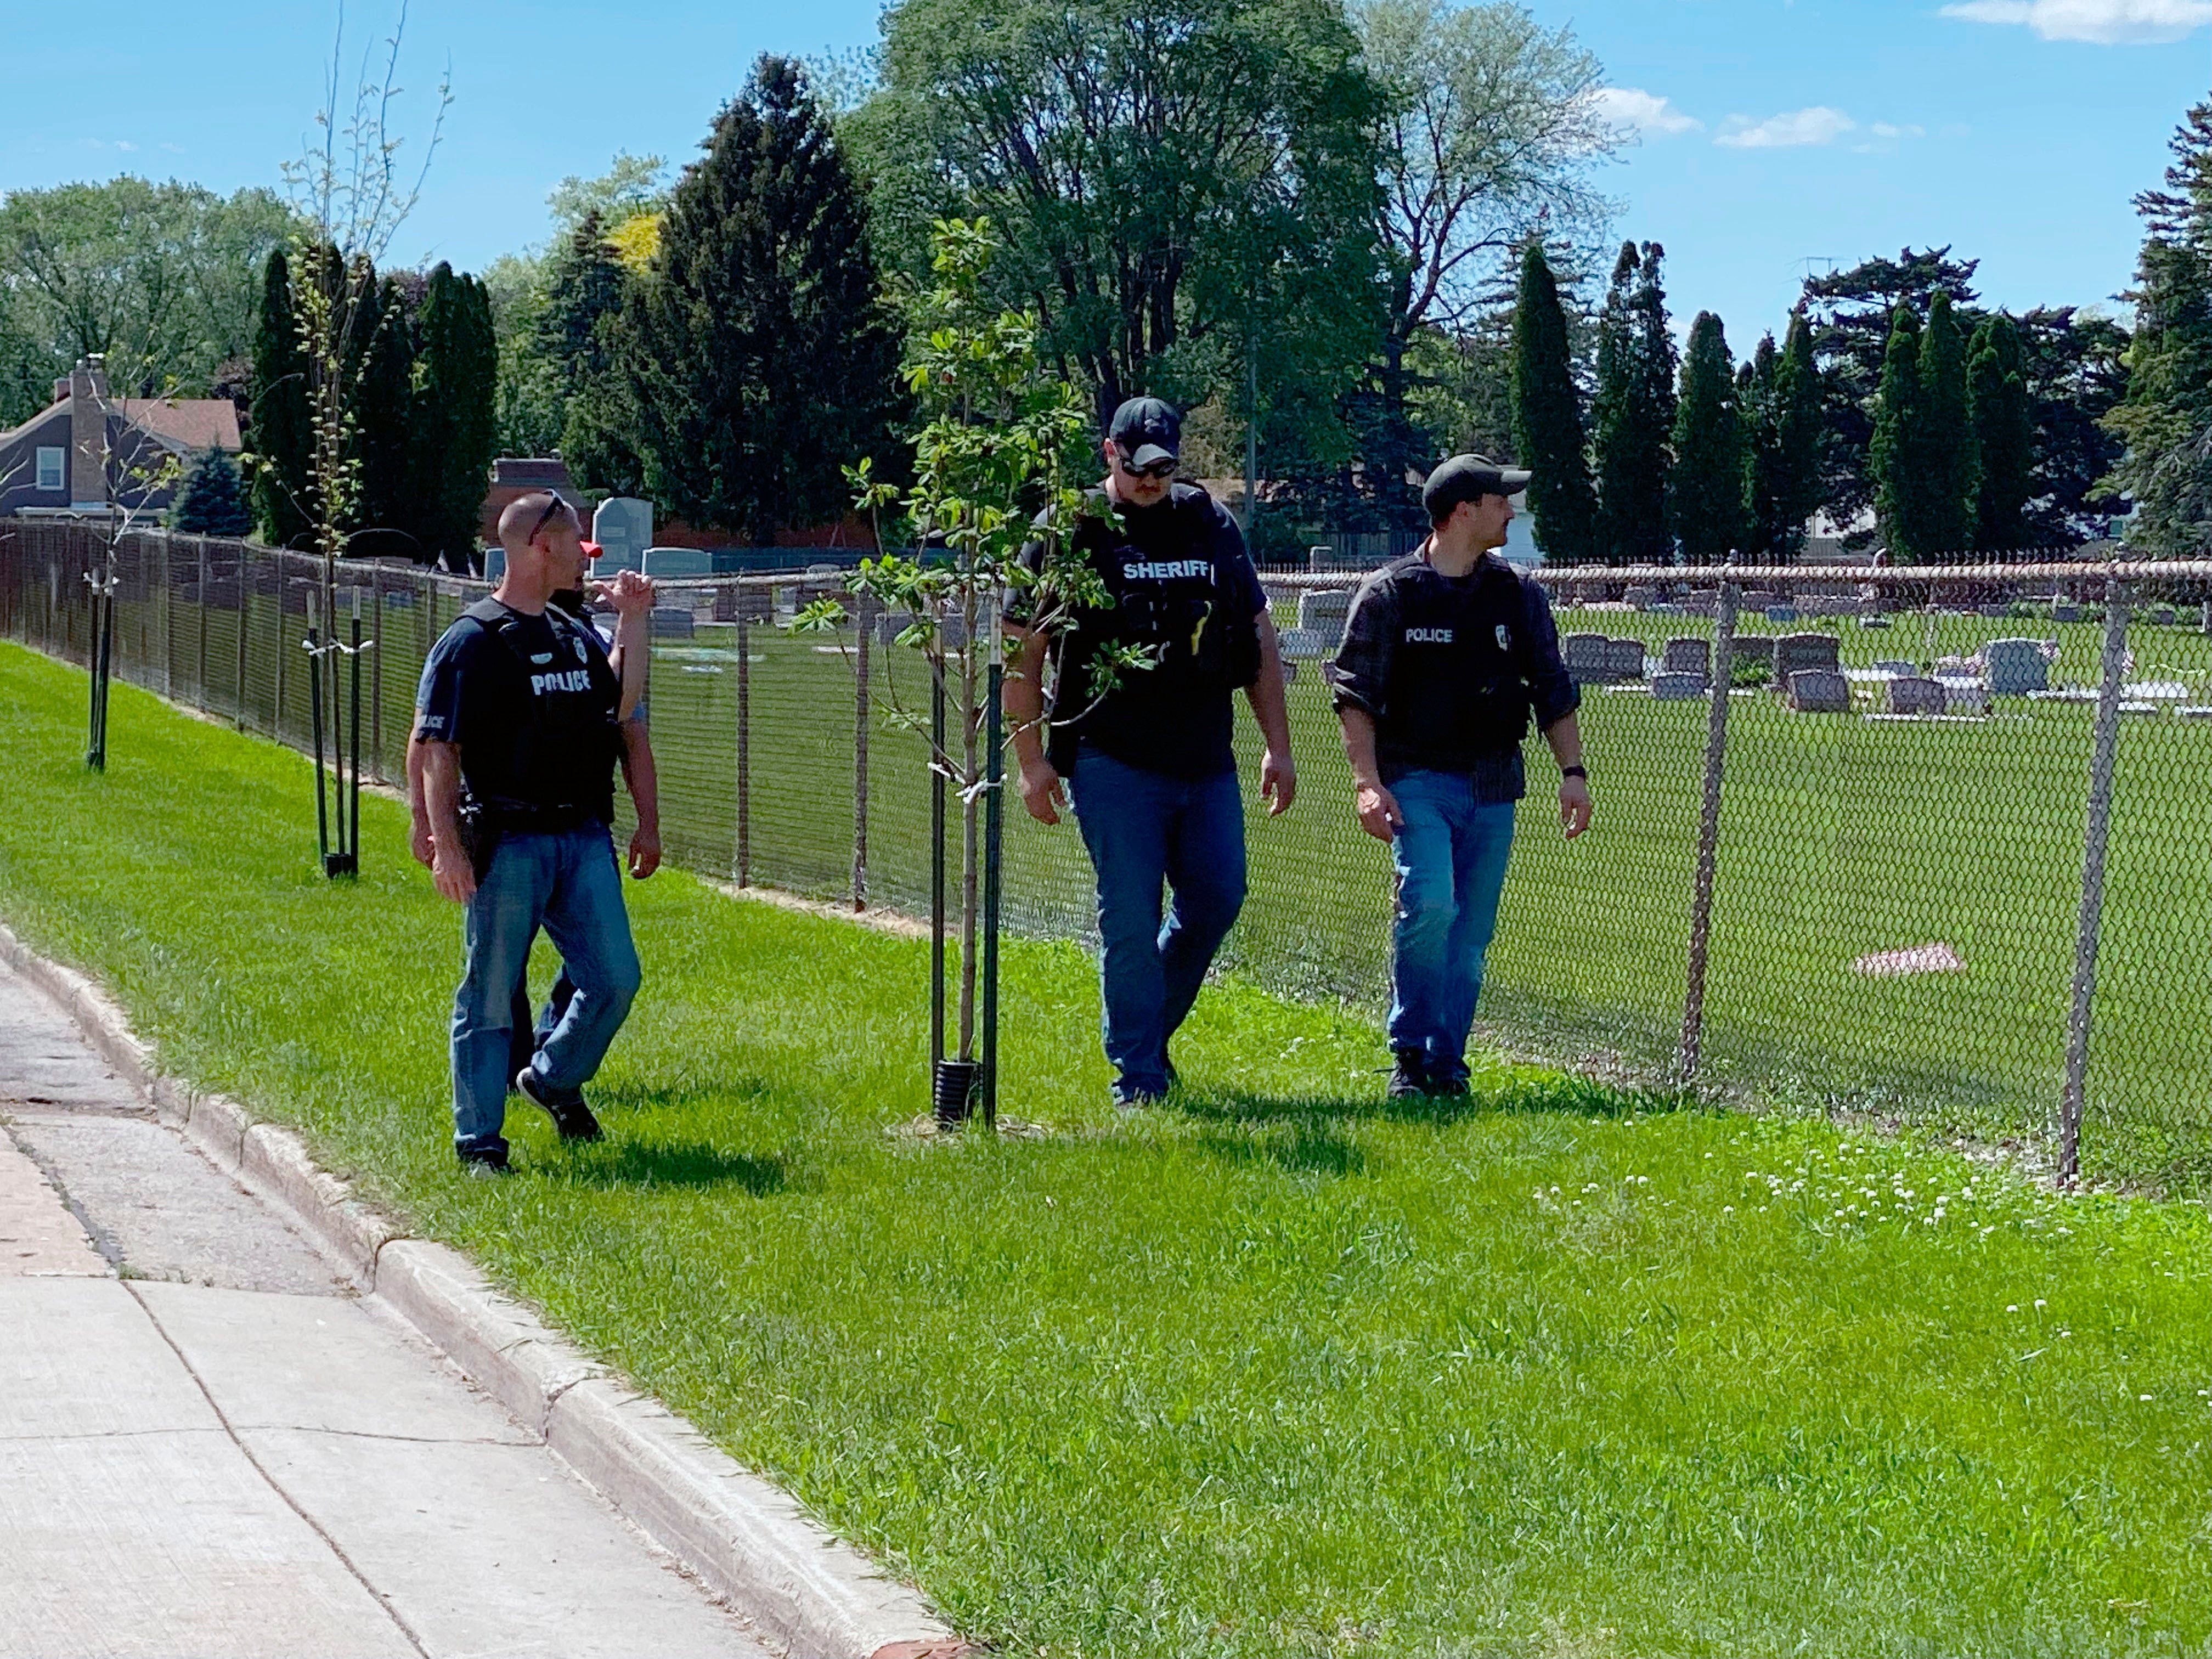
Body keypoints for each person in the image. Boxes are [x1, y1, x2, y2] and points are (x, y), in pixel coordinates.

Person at [1006, 396, 1296, 1108]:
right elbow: (1024, 648)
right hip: (1111, 755)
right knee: (1130, 914)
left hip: (1204, 757)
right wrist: (1031, 760)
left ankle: (1144, 1030)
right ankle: (1137, 1077)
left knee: (1219, 895)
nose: (1149, 482)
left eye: (1163, 469)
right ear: (1110, 453)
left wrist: (1278, 747)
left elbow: (1257, 638)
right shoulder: (1070, 530)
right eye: (1137, 468)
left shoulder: (1207, 522)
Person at [1330, 455, 1592, 1099]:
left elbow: (1551, 687)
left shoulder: (1517, 595)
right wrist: (1367, 781)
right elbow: (1354, 695)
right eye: (1500, 501)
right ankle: (1410, 1052)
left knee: (1470, 937)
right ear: (1463, 511)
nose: (1511, 510)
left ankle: (1448, 1063)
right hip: (1417, 779)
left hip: (1493, 784)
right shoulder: (1393, 593)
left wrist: (1573, 772)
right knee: (1430, 904)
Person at [409, 490, 655, 1173]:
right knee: (488, 993)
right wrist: (443, 844)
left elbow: (623, 703)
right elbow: (438, 749)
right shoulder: (472, 640)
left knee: (614, 980)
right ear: (541, 547)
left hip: (581, 838)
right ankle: (480, 1142)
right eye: (576, 542)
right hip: (509, 841)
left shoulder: (572, 631)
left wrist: (633, 621)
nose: (586, 558)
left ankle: (549, 1079)